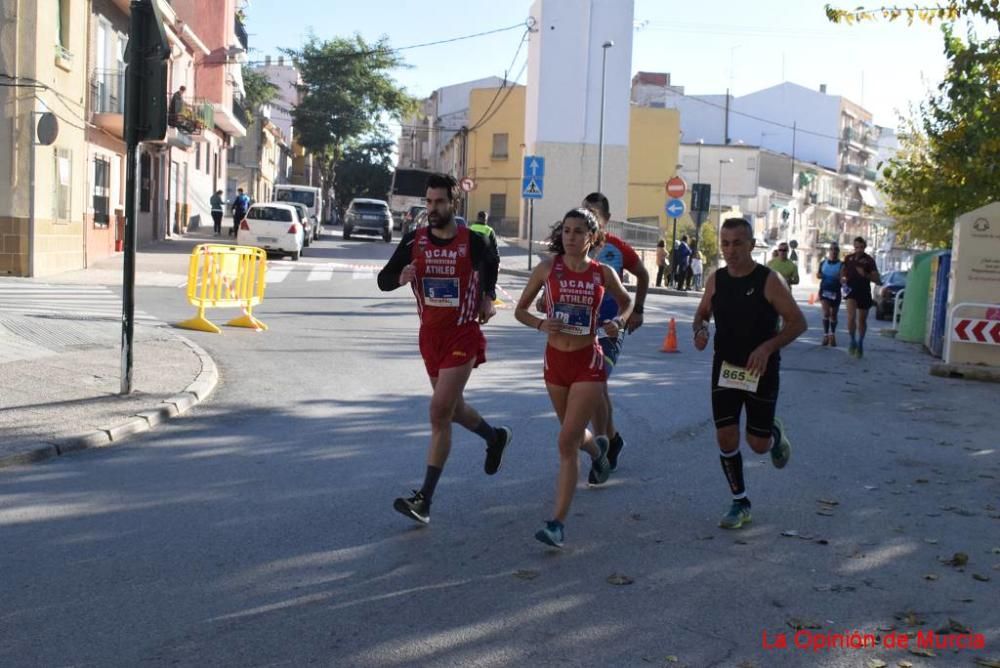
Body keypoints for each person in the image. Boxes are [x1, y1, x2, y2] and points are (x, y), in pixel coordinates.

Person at [377, 173, 512, 525]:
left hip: (462, 333)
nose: (432, 208)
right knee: (452, 410)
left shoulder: (474, 240)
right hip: (430, 337)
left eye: (439, 202)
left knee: (439, 411)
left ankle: (424, 499)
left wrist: (487, 297)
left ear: (453, 203)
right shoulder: (413, 241)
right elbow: (383, 280)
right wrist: (400, 277)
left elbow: (492, 262)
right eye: (429, 201)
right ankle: (494, 437)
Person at [515, 208, 633, 548]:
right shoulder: (547, 268)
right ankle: (598, 453)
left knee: (566, 442)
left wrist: (618, 322)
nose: (570, 236)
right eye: (566, 230)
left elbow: (626, 303)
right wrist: (540, 323)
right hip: (555, 361)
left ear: (592, 238)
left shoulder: (603, 272)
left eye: (579, 231)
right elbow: (520, 309)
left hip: (588, 361)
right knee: (572, 430)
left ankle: (557, 524)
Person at [692, 218, 807, 529]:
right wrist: (700, 330)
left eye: (737, 243)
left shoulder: (769, 280)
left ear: (751, 245)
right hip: (726, 367)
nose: (730, 250)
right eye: (725, 243)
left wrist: (768, 348)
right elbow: (702, 314)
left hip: (761, 369)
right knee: (726, 436)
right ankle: (740, 501)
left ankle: (773, 433)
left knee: (757, 444)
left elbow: (798, 323)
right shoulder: (716, 279)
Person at [581, 192, 648, 474]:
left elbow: (643, 275)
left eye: (594, 213)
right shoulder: (574, 246)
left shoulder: (618, 248)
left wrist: (637, 310)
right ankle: (613, 440)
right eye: (585, 211)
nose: (589, 217)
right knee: (599, 389)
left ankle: (601, 452)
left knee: (594, 387)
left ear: (606, 219)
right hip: (581, 331)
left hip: (610, 330)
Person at [840, 236, 880, 358]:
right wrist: (842, 280)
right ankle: (852, 340)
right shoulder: (848, 258)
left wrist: (866, 274)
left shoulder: (869, 261)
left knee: (862, 320)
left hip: (864, 292)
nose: (859, 250)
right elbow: (842, 272)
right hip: (851, 292)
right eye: (857, 247)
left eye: (861, 247)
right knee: (851, 317)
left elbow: (877, 279)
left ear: (864, 247)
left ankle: (860, 342)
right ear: (854, 247)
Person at [816, 244, 843, 346]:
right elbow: (818, 274)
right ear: (829, 251)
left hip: (836, 291)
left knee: (834, 315)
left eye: (836, 249)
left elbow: (842, 277)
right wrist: (821, 275)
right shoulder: (823, 263)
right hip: (824, 291)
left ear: (838, 251)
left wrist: (841, 278)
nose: (833, 251)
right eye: (831, 249)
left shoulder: (841, 264)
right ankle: (826, 335)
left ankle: (832, 334)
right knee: (826, 313)